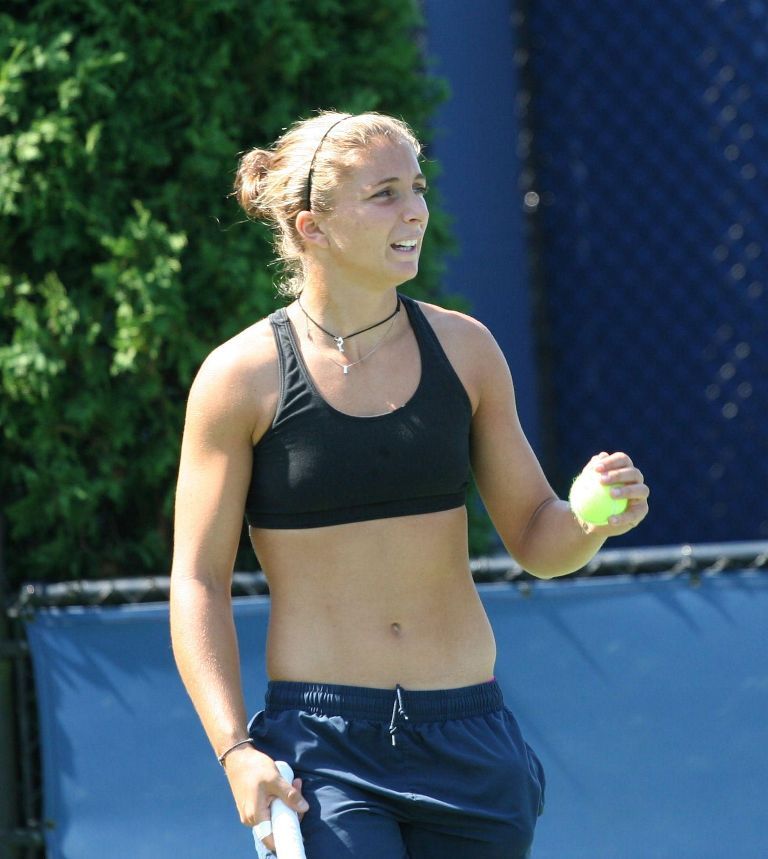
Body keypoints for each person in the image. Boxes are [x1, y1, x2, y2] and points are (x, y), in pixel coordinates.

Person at [169, 110, 650, 859]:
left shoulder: (468, 350)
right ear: (312, 227)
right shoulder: (239, 378)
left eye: (418, 188)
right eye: (385, 193)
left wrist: (591, 518)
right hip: (322, 750)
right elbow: (198, 581)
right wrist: (236, 751)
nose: (416, 210)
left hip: (471, 739)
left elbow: (537, 539)